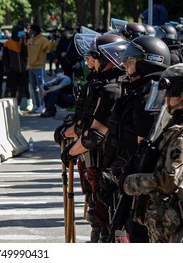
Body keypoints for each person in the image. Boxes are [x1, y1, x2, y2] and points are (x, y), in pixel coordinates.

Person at [102, 36, 171, 242]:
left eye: (130, 61)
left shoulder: (148, 97)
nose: (125, 65)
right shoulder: (145, 91)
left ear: (148, 62)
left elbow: (145, 149)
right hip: (133, 181)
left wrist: (125, 181)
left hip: (140, 187)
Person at [61, 34, 126, 242]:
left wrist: (71, 151)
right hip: (104, 165)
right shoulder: (107, 84)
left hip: (106, 166)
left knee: (107, 223)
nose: (88, 61)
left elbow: (93, 134)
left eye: (93, 57)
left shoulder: (112, 88)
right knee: (100, 220)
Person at [123, 62, 183, 243]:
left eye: (169, 92)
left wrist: (131, 182)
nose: (165, 98)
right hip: (166, 224)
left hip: (177, 228)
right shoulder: (178, 125)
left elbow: (169, 180)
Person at [2, 25, 29, 112]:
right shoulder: (8, 43)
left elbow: (25, 54)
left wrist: (23, 42)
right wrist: (7, 68)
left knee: (21, 89)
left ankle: (17, 107)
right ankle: (12, 107)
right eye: (20, 31)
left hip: (22, 70)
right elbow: (5, 58)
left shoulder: (23, 42)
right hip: (12, 70)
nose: (22, 33)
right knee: (12, 89)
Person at [27, 24, 49, 113]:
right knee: (34, 87)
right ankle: (37, 105)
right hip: (31, 67)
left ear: (34, 31)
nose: (29, 31)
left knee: (41, 87)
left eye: (30, 30)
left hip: (39, 67)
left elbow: (49, 47)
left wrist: (53, 41)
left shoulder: (43, 40)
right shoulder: (30, 40)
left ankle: (43, 105)